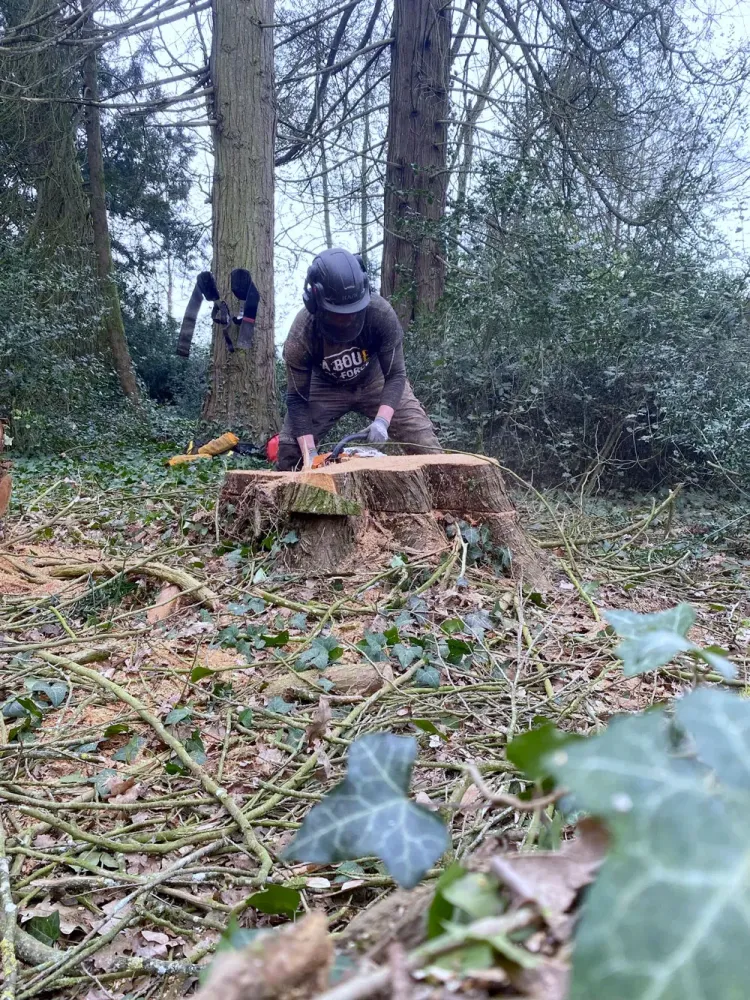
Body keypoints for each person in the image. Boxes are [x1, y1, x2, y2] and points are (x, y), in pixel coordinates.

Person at [278, 247, 441, 470]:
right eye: (338, 314)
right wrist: (309, 454)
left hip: (375, 380)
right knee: (290, 451)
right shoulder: (301, 335)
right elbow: (297, 399)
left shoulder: (381, 314)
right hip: (324, 387)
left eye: (353, 312)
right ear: (315, 302)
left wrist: (382, 421)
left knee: (424, 442)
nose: (347, 320)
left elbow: (395, 375)